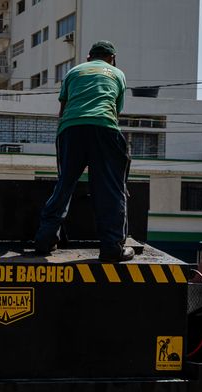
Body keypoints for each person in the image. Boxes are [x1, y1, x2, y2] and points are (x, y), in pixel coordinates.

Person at [33, 41, 134, 263]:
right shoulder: (117, 74)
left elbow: (63, 111)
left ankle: (44, 240)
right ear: (113, 58)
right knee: (110, 189)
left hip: (71, 129)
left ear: (89, 58)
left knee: (65, 184)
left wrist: (67, 140)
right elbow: (114, 113)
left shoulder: (73, 72)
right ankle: (111, 248)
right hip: (104, 128)